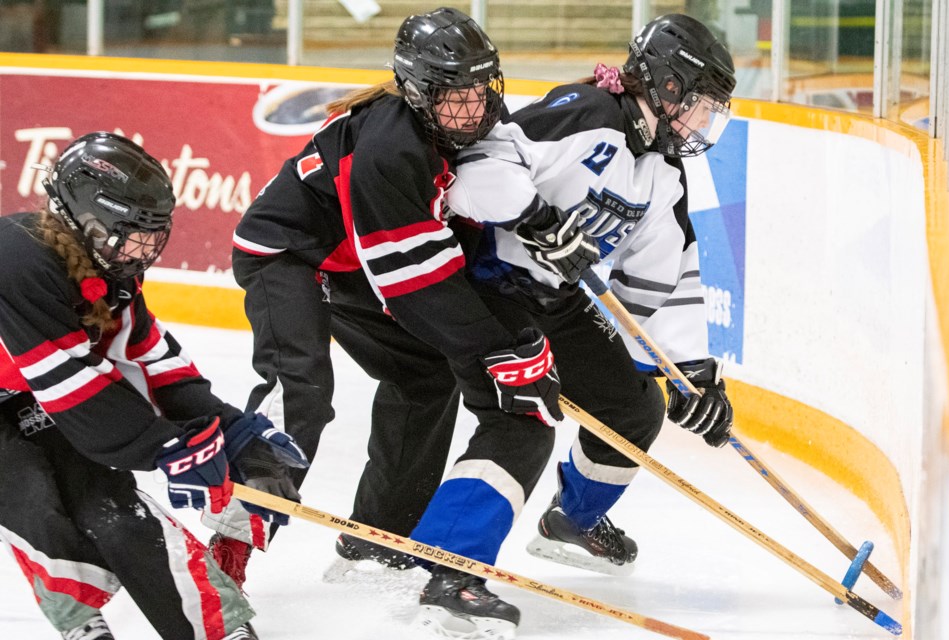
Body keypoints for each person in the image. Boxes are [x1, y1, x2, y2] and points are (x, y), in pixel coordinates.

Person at [213, 7, 584, 636]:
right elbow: (414, 286)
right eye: (453, 96)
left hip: (355, 259)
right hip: (291, 256)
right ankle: (222, 554)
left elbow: (443, 246)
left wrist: (535, 228)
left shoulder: (457, 131)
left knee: (424, 380)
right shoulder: (391, 148)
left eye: (479, 89)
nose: (472, 107)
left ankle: (376, 541)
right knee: (300, 393)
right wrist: (501, 347)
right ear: (416, 91)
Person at [441, 13, 737, 578]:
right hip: (488, 288)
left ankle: (572, 521)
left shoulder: (662, 170)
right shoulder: (586, 112)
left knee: (634, 405)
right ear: (669, 85)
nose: (706, 120)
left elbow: (666, 269)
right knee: (523, 422)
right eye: (704, 103)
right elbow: (478, 162)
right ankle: (449, 560)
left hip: (553, 297)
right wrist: (534, 218)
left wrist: (688, 372)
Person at [0, 132, 308, 640]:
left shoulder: (109, 272)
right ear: (86, 220)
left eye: (152, 231)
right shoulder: (17, 259)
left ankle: (217, 627)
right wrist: (167, 447)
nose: (145, 246)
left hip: (30, 391)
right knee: (30, 498)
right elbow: (71, 386)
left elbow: (149, 361)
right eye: (131, 231)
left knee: (113, 507)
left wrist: (234, 430)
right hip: (39, 391)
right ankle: (80, 622)